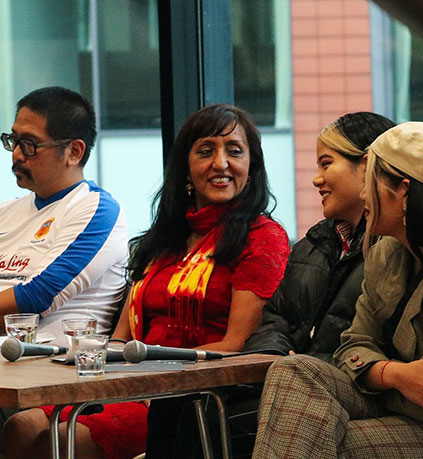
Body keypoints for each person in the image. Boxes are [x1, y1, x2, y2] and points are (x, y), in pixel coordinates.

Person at [0, 104, 290, 459]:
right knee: (18, 428)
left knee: (55, 443)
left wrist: (152, 373)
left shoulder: (263, 237)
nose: (221, 163)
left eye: (234, 151)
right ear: (186, 167)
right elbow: (122, 338)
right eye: (205, 151)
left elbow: (234, 346)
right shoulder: (163, 240)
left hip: (184, 400)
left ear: (251, 166)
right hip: (125, 385)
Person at [144, 112, 396, 458]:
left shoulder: (391, 248)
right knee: (176, 405)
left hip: (345, 383)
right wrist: (281, 357)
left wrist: (297, 366)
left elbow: (374, 342)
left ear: (367, 165)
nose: (316, 180)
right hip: (288, 375)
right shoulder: (316, 243)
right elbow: (275, 319)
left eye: (326, 164)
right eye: (205, 152)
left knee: (199, 414)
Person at [252, 122, 423, 459]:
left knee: (318, 434)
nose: (364, 194)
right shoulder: (385, 250)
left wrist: (372, 374)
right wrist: (392, 374)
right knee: (292, 370)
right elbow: (352, 343)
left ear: (404, 191)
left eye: (371, 182)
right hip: (390, 396)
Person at [0, 86, 127, 340]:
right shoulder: (7, 211)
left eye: (29, 144)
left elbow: (36, 298)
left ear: (74, 152)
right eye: (14, 140)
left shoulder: (97, 211)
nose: (16, 154)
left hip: (54, 368)